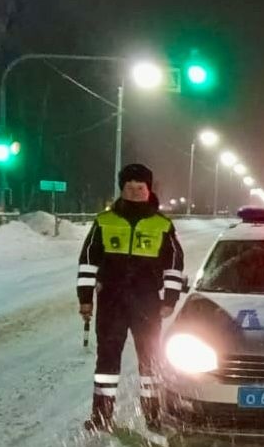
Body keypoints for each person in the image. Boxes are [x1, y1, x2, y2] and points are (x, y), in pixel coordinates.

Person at [76, 163, 185, 431]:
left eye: (140, 188)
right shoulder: (104, 221)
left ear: (149, 190)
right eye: (129, 188)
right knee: (106, 361)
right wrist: (86, 298)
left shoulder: (162, 225)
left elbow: (174, 265)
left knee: (150, 361)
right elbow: (88, 262)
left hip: (147, 303)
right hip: (111, 302)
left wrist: (169, 300)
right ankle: (101, 416)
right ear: (122, 190)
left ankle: (153, 415)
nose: (135, 192)